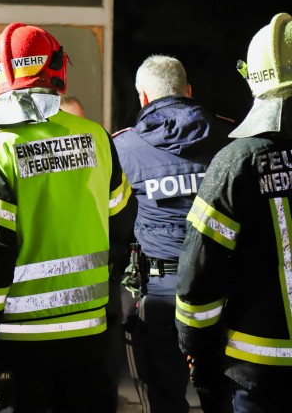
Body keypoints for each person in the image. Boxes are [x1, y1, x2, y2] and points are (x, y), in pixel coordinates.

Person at [0, 22, 137, 412]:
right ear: (57, 70)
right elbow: (122, 221)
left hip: (22, 343)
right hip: (90, 332)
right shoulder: (96, 137)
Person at [176, 12, 292, 412]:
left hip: (257, 374)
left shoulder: (236, 163)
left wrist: (198, 354)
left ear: (253, 77)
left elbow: (199, 276)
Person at [113, 54, 234, 413]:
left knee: (165, 397)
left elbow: (113, 220)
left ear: (143, 98)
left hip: (159, 294)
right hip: (223, 290)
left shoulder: (122, 148)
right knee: (225, 392)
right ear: (189, 91)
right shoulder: (230, 136)